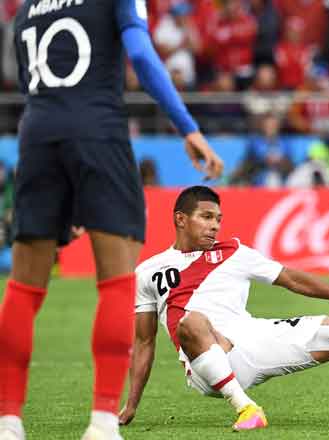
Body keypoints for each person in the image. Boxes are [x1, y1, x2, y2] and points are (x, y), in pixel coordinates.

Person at [0, 1, 224, 440]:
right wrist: (188, 128)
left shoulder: (26, 10)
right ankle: (103, 422)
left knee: (24, 289)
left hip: (38, 134)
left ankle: (8, 421)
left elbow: (30, 85)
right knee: (118, 282)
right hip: (98, 132)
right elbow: (140, 55)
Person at [118, 186, 329, 431]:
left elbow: (290, 279)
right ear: (180, 219)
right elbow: (145, 342)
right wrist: (131, 404)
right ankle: (246, 408)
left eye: (218, 219)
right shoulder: (149, 271)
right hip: (207, 361)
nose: (215, 225)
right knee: (192, 322)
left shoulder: (234, 252)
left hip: (253, 339)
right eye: (206, 217)